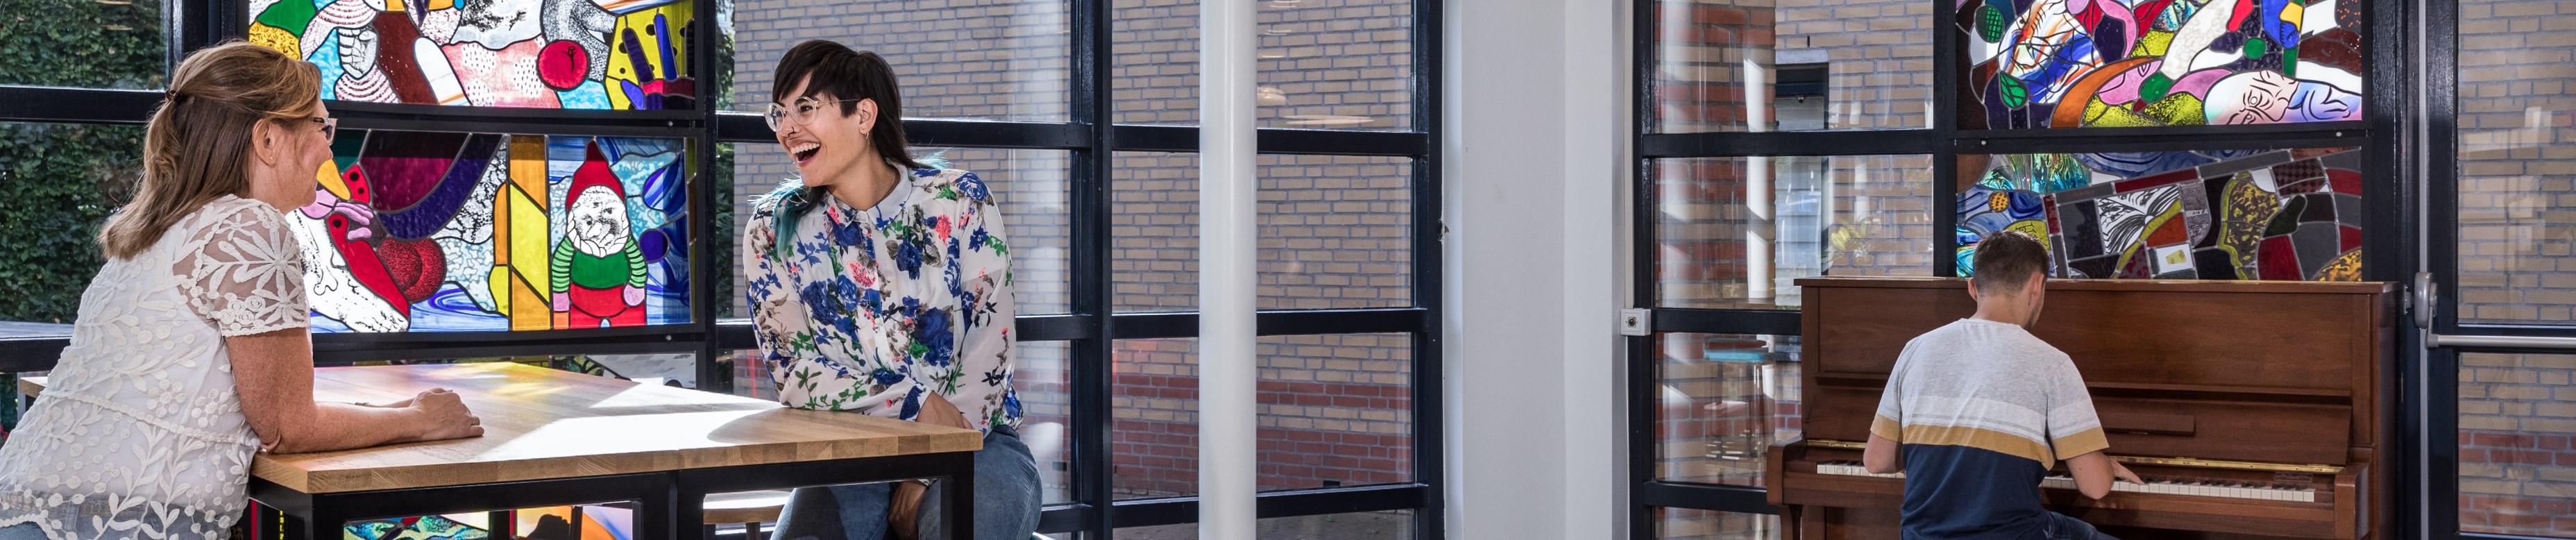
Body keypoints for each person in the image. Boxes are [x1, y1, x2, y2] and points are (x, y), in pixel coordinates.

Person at [0, 42, 486, 540]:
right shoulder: (250, 227)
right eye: (322, 127)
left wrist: (397, 412)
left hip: (34, 504)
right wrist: (422, 421)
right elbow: (288, 428)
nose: (329, 148)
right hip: (117, 523)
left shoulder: (161, 228)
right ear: (269, 140)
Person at [743, 40, 1040, 540]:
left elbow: (990, 354)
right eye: (780, 113)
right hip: (847, 452)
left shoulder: (959, 200)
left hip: (979, 441)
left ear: (863, 115)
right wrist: (912, 402)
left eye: (806, 108)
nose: (787, 129)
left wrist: (927, 467)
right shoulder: (772, 228)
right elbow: (796, 374)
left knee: (960, 526)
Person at [1861, 230, 2144, 540]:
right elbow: (2095, 486)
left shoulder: (1916, 348)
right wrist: (2103, 464)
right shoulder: (2052, 363)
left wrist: (1942, 456)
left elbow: (1877, 461)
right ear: (2037, 285)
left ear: (1973, 288)